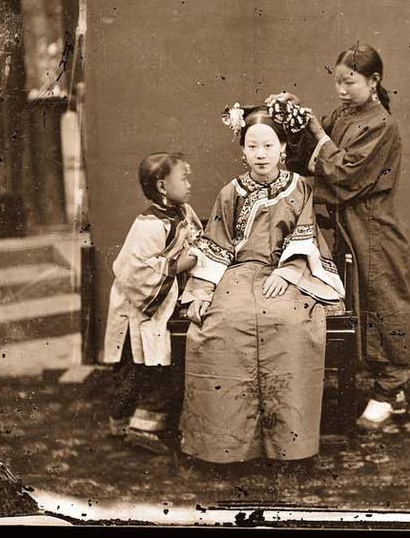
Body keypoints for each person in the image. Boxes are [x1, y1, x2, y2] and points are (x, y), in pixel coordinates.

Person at [179, 102, 344, 467]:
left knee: (290, 323)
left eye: (269, 145)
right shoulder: (230, 192)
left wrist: (286, 273)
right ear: (242, 151)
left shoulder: (299, 187)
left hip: (288, 270)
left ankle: (289, 446)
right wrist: (203, 291)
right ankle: (225, 445)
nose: (261, 154)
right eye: (252, 146)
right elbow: (217, 242)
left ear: (283, 148)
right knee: (218, 325)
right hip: (238, 272)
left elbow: (305, 237)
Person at [267, 43, 410, 431]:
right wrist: (294, 118)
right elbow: (308, 154)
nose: (341, 90)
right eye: (337, 82)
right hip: (346, 222)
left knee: (382, 300)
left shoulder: (381, 124)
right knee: (356, 301)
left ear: (374, 81)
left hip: (373, 225)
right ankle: (390, 388)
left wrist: (315, 129)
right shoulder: (347, 115)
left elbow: (344, 173)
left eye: (349, 82)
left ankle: (388, 390)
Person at [102, 152, 203, 454]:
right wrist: (180, 265)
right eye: (183, 178)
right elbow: (133, 272)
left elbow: (195, 236)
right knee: (135, 368)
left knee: (157, 367)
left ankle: (143, 427)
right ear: (162, 186)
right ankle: (123, 422)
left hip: (160, 301)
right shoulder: (148, 224)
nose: (189, 184)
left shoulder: (183, 210)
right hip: (137, 305)